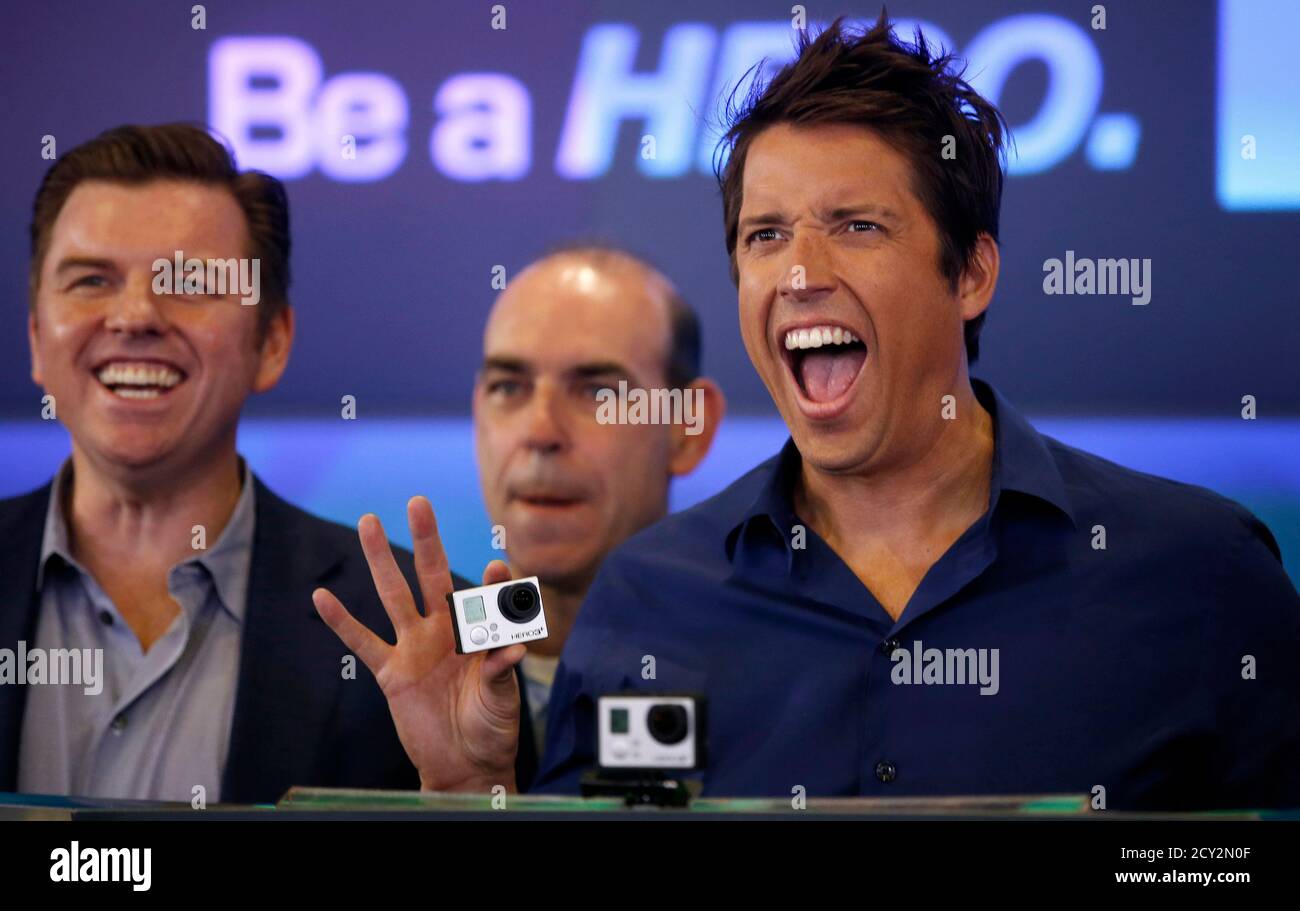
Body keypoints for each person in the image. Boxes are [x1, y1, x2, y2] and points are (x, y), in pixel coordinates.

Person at [316, 17, 1300, 810]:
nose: (797, 273)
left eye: (856, 226)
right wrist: (473, 788)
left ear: (971, 271)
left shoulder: (1198, 575)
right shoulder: (654, 599)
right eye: (765, 233)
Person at [0, 123, 462, 804]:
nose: (134, 316)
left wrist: (470, 789)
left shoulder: (430, 627)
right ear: (38, 339)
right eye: (92, 279)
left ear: (271, 341)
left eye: (188, 281)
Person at [472, 246, 724, 784]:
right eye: (508, 387)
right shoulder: (401, 674)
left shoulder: (772, 678)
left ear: (688, 427)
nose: (540, 432)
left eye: (598, 392)